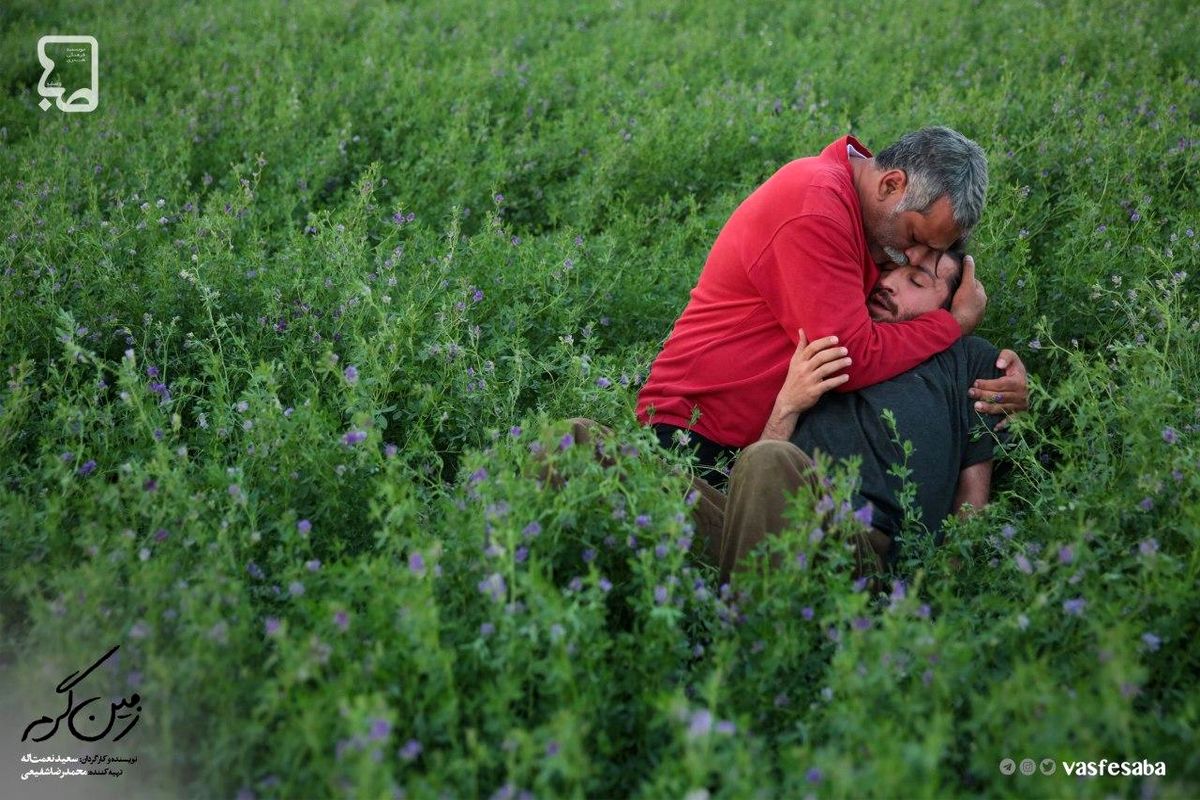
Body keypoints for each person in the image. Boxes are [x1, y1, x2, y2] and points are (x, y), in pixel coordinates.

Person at [636, 127, 1028, 489]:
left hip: (768, 447)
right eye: (913, 238)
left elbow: (907, 322)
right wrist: (954, 324)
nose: (910, 258)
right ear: (892, 184)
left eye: (929, 252)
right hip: (692, 434)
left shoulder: (874, 218)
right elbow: (849, 358)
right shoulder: (815, 207)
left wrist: (994, 371)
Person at [691, 248, 1009, 586]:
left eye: (915, 281)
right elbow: (754, 480)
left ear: (949, 307)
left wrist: (944, 594)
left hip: (860, 545)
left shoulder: (968, 360)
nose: (887, 283)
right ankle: (759, 615)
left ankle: (749, 632)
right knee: (647, 476)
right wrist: (787, 404)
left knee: (769, 460)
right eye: (888, 268)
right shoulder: (832, 337)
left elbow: (972, 502)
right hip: (769, 524)